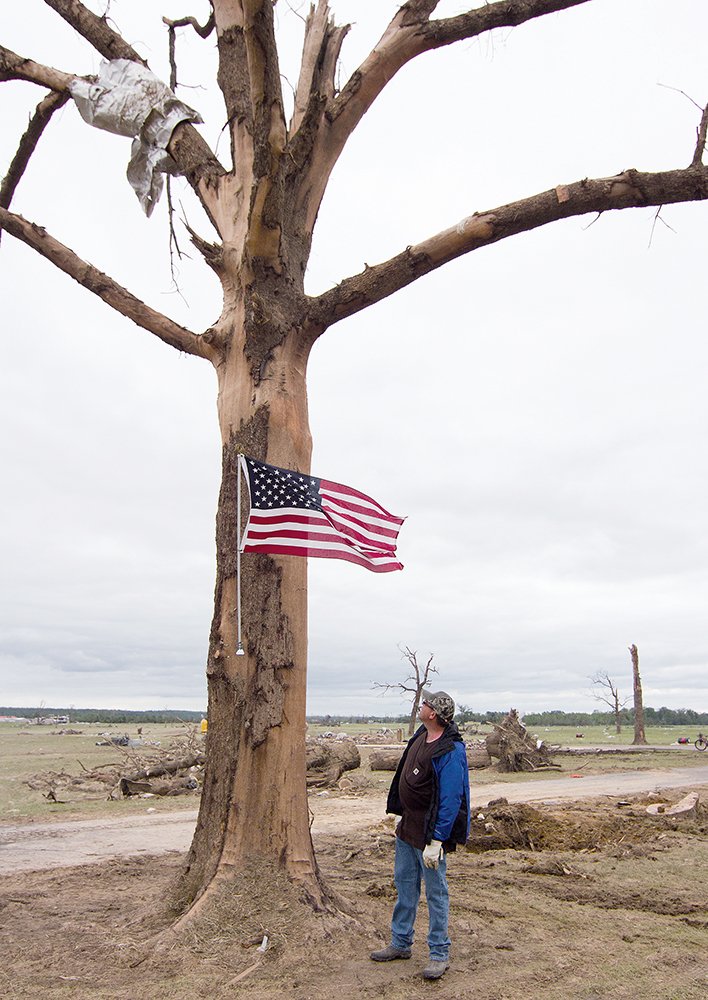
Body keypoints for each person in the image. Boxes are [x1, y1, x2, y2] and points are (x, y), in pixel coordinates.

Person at [370, 689, 470, 980]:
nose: (421, 705)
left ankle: (439, 953)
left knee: (436, 893)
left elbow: (451, 799)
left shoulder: (450, 750)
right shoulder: (419, 737)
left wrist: (437, 840)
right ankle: (400, 943)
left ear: (434, 714)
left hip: (429, 834)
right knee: (405, 886)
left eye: (425, 703)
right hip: (408, 828)